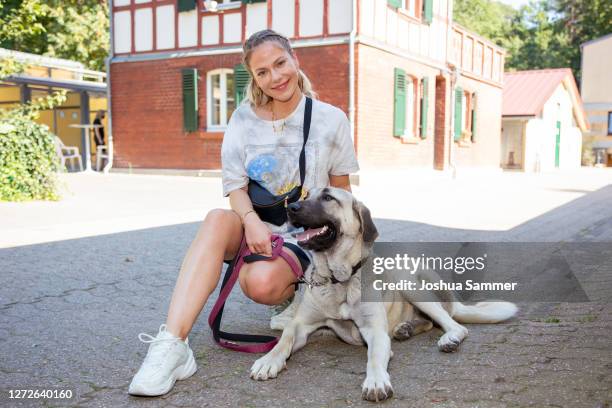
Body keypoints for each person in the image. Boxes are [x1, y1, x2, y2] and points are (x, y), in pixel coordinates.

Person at [128, 29, 360, 397]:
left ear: (294, 59)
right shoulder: (242, 119)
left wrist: (341, 265)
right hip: (254, 226)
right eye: (263, 72)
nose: (275, 77)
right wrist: (251, 222)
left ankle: (297, 290)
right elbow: (234, 186)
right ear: (253, 78)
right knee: (217, 219)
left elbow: (342, 193)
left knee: (261, 284)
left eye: (280, 63)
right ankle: (173, 345)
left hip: (303, 235)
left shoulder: (332, 119)